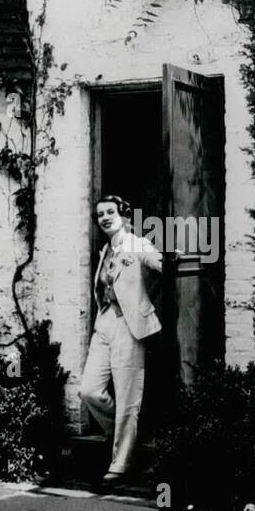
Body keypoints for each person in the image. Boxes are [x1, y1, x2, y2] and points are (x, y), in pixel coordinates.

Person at [80, 194, 163, 483]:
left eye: (110, 212)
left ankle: (122, 462)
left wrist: (170, 259)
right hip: (104, 323)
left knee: (128, 396)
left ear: (124, 216)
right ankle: (127, 439)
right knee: (89, 390)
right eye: (100, 213)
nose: (104, 217)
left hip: (129, 325)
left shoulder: (137, 244)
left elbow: (158, 262)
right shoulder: (106, 250)